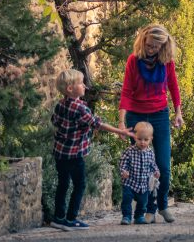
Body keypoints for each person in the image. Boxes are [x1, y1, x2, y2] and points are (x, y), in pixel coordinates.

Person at [50, 69, 133, 231]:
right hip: (74, 155)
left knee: (63, 184)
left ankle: (58, 218)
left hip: (60, 153)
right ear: (70, 88)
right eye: (81, 83)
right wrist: (120, 131)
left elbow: (54, 121)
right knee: (80, 185)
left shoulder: (60, 105)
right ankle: (71, 219)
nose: (85, 86)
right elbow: (97, 124)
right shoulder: (80, 109)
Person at [118, 24, 183, 224]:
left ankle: (161, 206)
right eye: (149, 45)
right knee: (140, 168)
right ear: (143, 40)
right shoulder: (133, 61)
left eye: (156, 46)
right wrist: (121, 122)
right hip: (136, 117)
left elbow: (173, 86)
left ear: (163, 46)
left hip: (160, 115)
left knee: (163, 166)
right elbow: (127, 91)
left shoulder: (167, 62)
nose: (151, 49)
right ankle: (145, 211)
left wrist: (178, 112)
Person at [119, 121, 160, 225]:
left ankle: (139, 216)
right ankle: (126, 216)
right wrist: (124, 171)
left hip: (143, 184)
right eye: (139, 139)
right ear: (134, 137)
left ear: (151, 139)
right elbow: (123, 162)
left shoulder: (150, 152)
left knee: (143, 202)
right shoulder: (129, 151)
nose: (142, 142)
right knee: (127, 200)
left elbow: (152, 164)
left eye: (146, 140)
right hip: (130, 182)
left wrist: (156, 171)